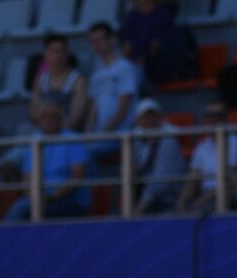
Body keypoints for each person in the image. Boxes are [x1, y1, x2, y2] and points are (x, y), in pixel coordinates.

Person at [3, 102, 89, 220]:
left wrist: (51, 198)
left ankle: (5, 237)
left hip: (68, 199)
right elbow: (27, 178)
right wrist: (34, 197)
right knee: (22, 206)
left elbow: (77, 177)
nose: (49, 120)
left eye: (53, 116)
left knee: (21, 208)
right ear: (39, 120)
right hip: (38, 199)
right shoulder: (34, 140)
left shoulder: (73, 140)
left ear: (61, 119)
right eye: (45, 116)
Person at [86, 21, 138, 162]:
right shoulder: (96, 74)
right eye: (93, 41)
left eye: (100, 39)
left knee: (84, 155)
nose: (97, 45)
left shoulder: (124, 67)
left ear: (111, 39)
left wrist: (103, 134)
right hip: (101, 136)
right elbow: (93, 108)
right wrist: (88, 135)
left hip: (120, 134)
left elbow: (123, 109)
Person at [179, 100, 237, 212]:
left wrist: (202, 201)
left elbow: (234, 180)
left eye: (218, 116)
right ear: (204, 119)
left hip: (228, 197)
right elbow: (193, 179)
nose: (213, 120)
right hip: (204, 198)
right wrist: (182, 202)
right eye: (209, 116)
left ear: (226, 118)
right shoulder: (201, 147)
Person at [129, 98, 185, 214]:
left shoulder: (168, 141)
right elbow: (132, 172)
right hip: (146, 200)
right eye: (145, 117)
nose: (149, 120)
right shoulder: (136, 141)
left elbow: (160, 182)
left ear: (160, 119)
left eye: (153, 116)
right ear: (138, 120)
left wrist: (139, 209)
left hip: (167, 199)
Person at [121, 0, 193, 87]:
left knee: (135, 77)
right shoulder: (132, 16)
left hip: (155, 63)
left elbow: (156, 45)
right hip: (135, 62)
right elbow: (127, 45)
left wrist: (143, 60)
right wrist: (125, 64)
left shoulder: (162, 13)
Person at [31, 33, 88, 131]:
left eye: (62, 51)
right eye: (54, 51)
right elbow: (33, 110)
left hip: (66, 132)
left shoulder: (78, 80)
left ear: (67, 53)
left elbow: (76, 116)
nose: (58, 55)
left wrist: (56, 130)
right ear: (46, 53)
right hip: (43, 131)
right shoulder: (40, 79)